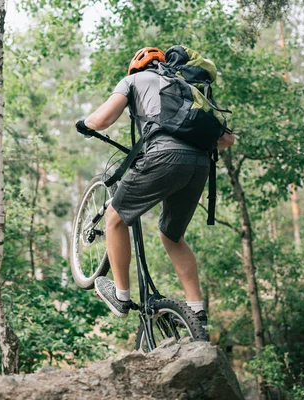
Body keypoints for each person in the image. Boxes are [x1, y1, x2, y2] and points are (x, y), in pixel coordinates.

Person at [76, 47, 235, 327]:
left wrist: (84, 124)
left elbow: (103, 120)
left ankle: (122, 296)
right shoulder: (188, 88)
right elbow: (227, 140)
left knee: (114, 218)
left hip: (164, 157)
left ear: (136, 66)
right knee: (172, 236)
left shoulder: (133, 81)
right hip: (199, 164)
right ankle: (196, 312)